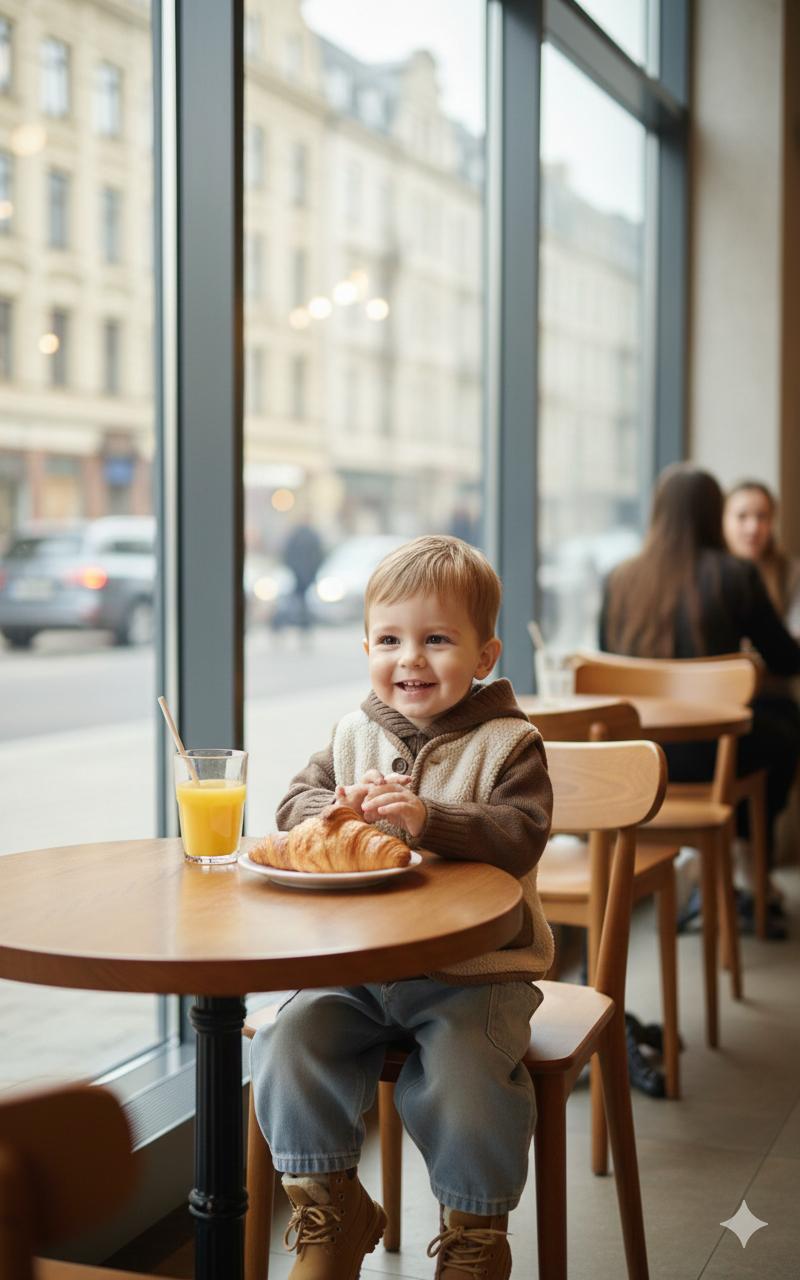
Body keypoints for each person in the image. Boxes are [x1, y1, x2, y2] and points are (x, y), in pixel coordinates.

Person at [250, 534, 554, 1280]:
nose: (409, 659)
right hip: (359, 966)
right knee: (288, 1043)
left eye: (436, 640)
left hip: (473, 974)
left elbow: (520, 836)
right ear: (365, 647)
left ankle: (475, 1233)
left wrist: (430, 817)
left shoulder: (510, 743)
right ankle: (330, 1206)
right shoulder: (356, 733)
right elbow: (294, 801)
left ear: (484, 657)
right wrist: (336, 806)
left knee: (466, 1077)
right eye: (390, 639)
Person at [600, 463, 800, 937]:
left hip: (637, 761)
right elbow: (787, 659)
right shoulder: (735, 575)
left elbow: (607, 668)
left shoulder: (620, 580)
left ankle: (719, 875)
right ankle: (749, 866)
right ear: (715, 515)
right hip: (712, 759)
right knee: (786, 728)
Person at [723, 480, 800, 636]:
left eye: (762, 516)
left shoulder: (792, 573)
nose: (753, 528)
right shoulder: (712, 575)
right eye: (742, 516)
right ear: (723, 520)